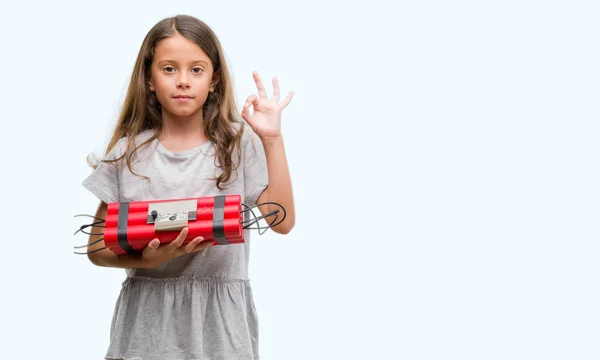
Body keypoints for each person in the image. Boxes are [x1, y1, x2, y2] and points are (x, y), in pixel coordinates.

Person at [82, 14, 295, 360]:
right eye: (169, 69)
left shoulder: (238, 144)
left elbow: (281, 222)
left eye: (196, 69)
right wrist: (146, 259)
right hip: (146, 328)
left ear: (214, 80)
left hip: (220, 328)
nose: (183, 81)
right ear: (149, 79)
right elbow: (95, 247)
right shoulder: (127, 153)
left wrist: (271, 138)